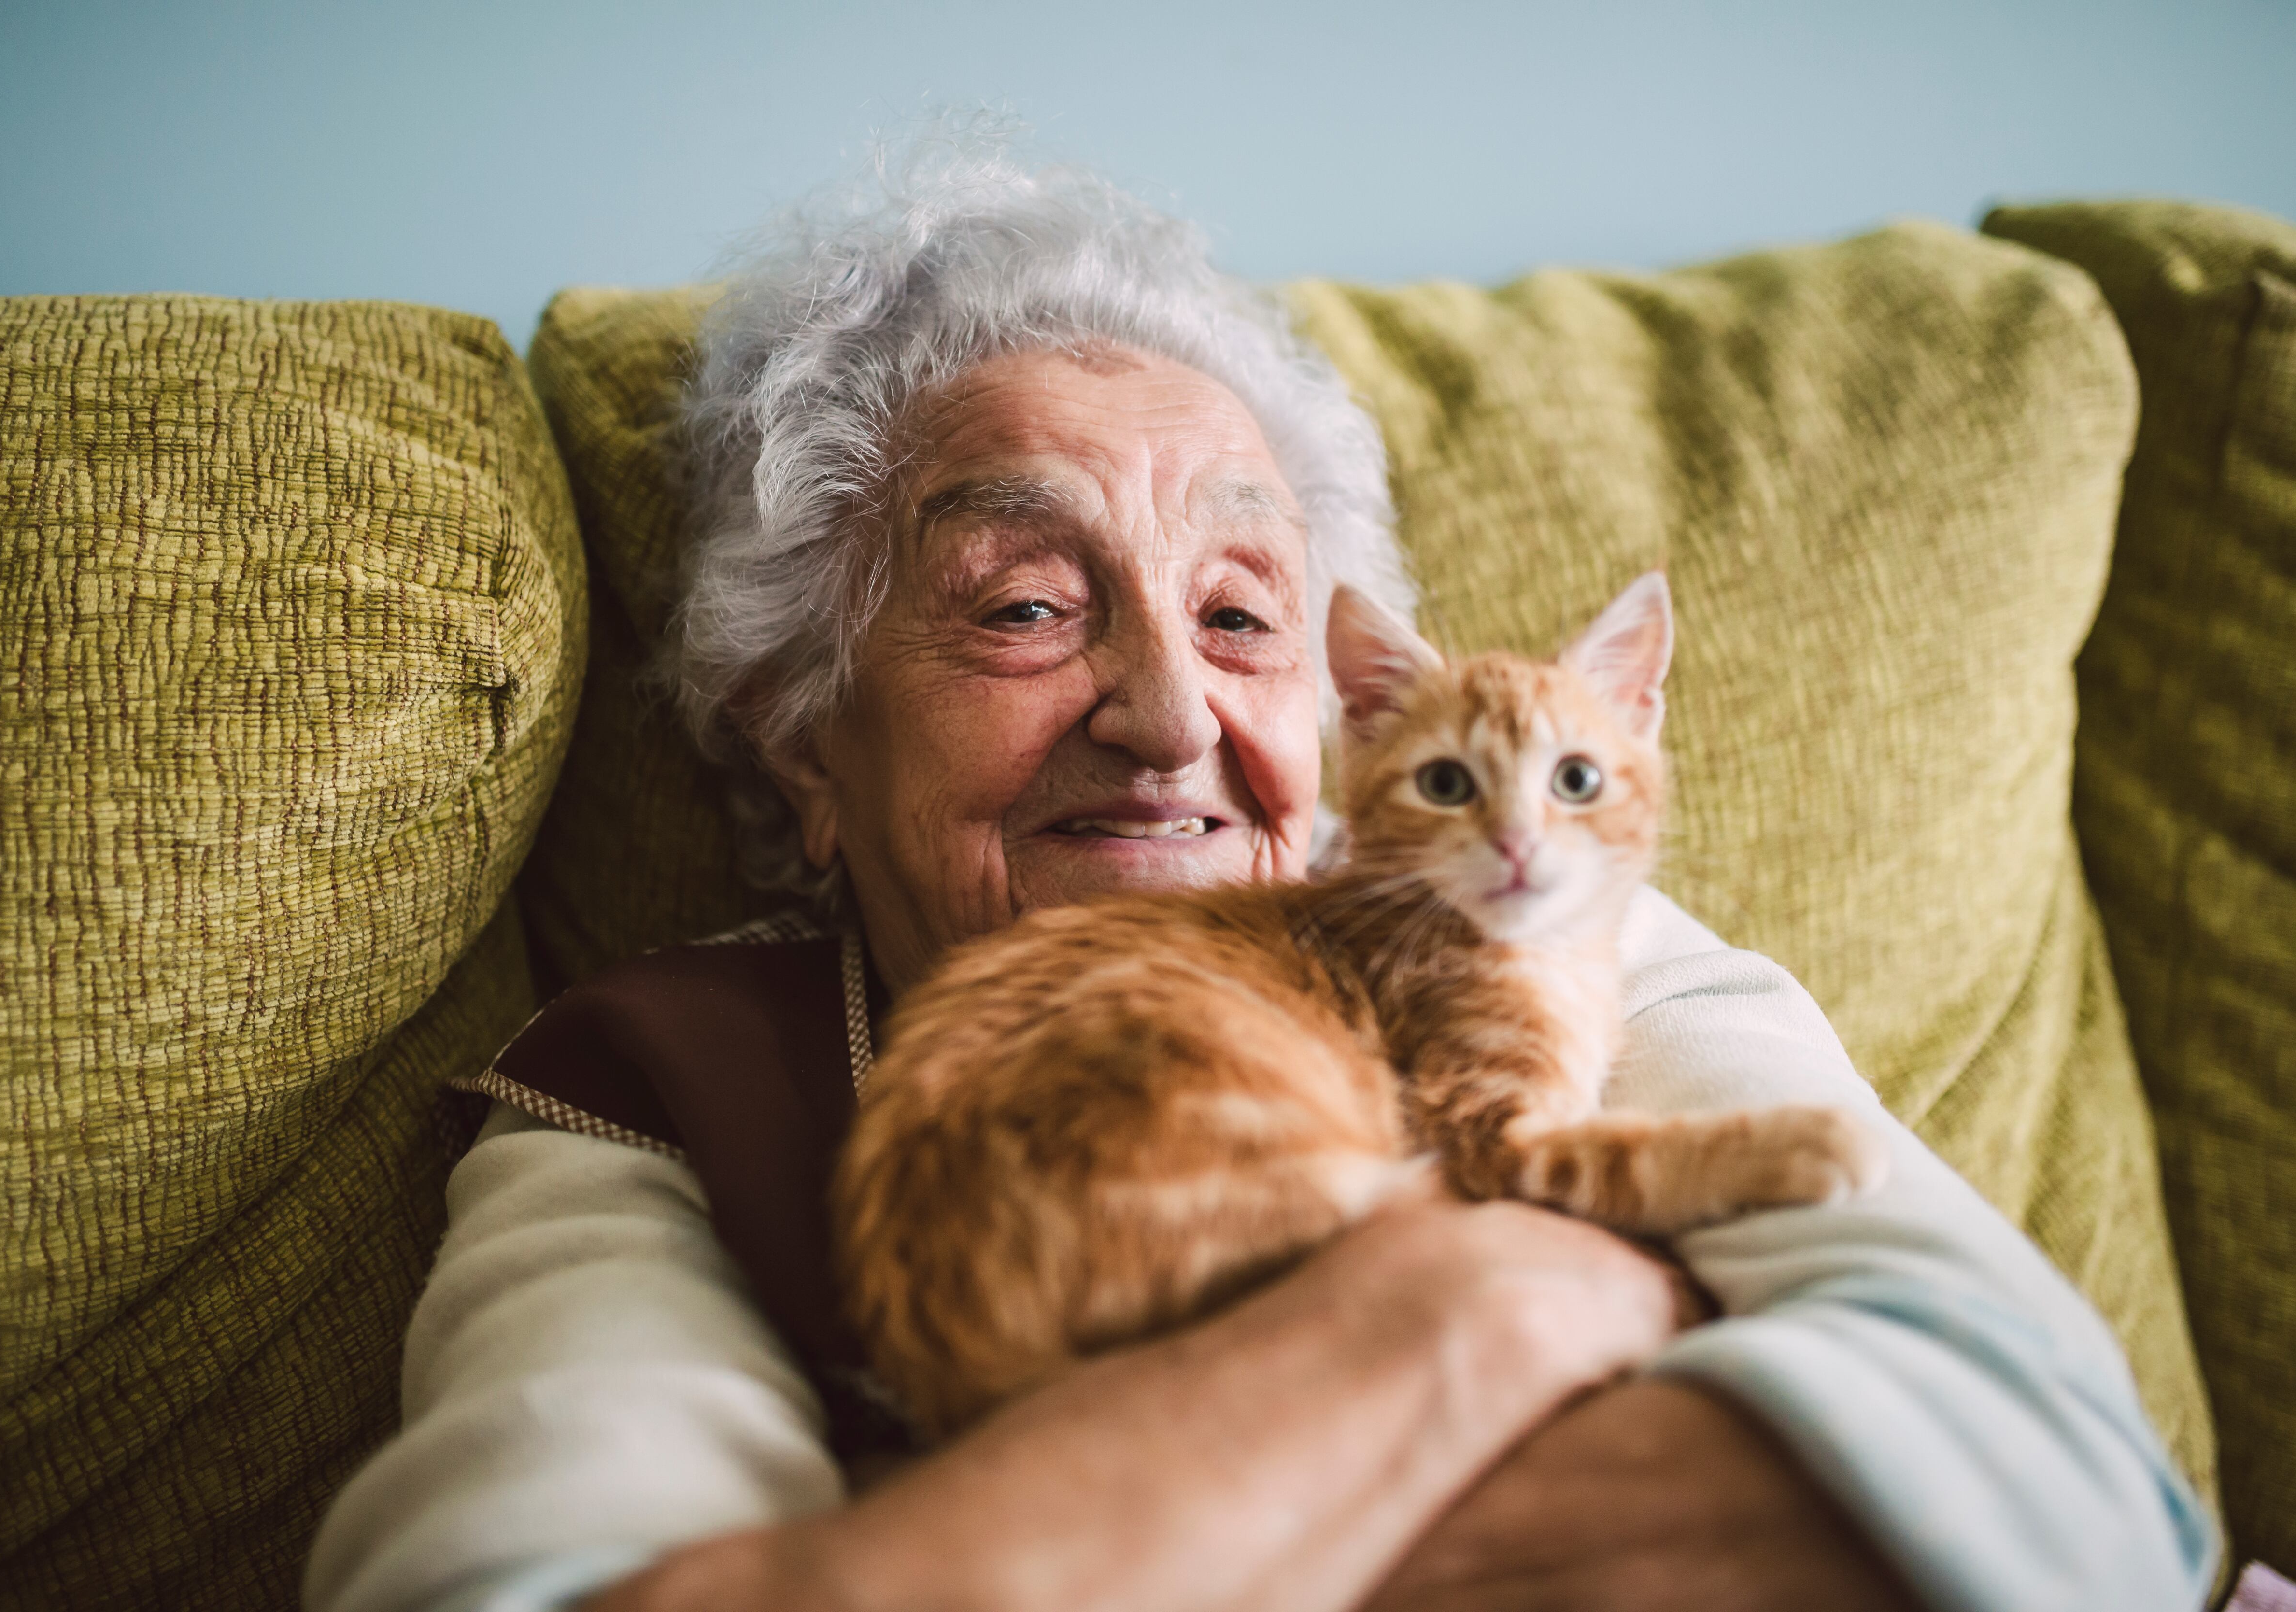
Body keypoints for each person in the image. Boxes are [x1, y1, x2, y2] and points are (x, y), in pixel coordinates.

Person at [302, 126, 2215, 1612]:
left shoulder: (1555, 928)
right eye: (1031, 605)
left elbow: (2059, 1498)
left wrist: (1012, 1528)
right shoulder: (638, 1089)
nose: (1162, 712)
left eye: (1240, 617)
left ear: (1346, 713)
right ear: (808, 746)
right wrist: (1486, 1310)